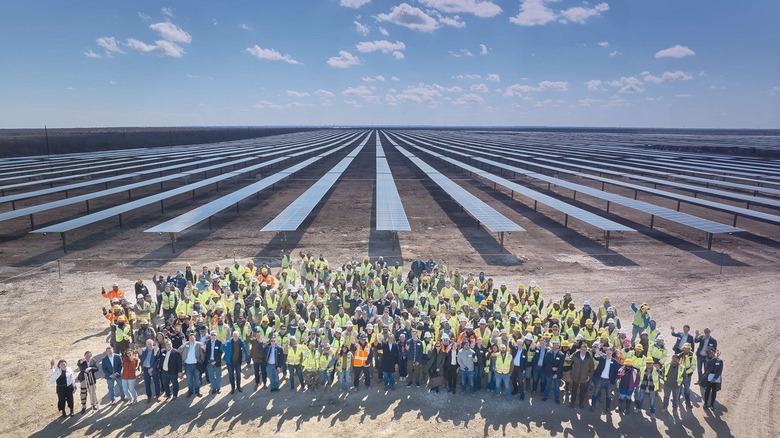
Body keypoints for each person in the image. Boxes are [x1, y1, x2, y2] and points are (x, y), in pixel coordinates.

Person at [590, 346, 619, 413]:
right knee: (596, 393)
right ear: (605, 352)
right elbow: (596, 357)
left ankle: (607, 408)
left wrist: (613, 380)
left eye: (610, 352)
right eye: (607, 352)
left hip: (609, 381)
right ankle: (593, 406)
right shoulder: (602, 358)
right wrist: (597, 353)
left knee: (608, 395)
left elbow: (616, 372)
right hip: (600, 379)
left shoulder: (615, 362)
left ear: (612, 353)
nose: (608, 353)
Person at [179, 333, 204, 398]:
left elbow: (202, 353)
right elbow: (178, 351)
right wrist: (182, 345)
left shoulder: (198, 344)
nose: (191, 339)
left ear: (195, 338)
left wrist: (201, 361)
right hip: (188, 365)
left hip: (196, 365)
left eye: (193, 338)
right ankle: (190, 391)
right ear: (188, 339)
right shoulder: (186, 345)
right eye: (190, 338)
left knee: (197, 379)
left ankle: (197, 391)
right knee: (189, 380)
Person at [569, 343, 594, 409]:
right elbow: (569, 361)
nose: (583, 351)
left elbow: (592, 367)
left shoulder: (589, 357)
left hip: (584, 378)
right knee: (574, 390)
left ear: (587, 350)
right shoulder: (575, 355)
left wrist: (589, 376)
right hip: (575, 376)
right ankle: (572, 402)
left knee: (583, 392)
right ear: (580, 349)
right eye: (582, 349)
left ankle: (581, 403)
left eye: (585, 350)